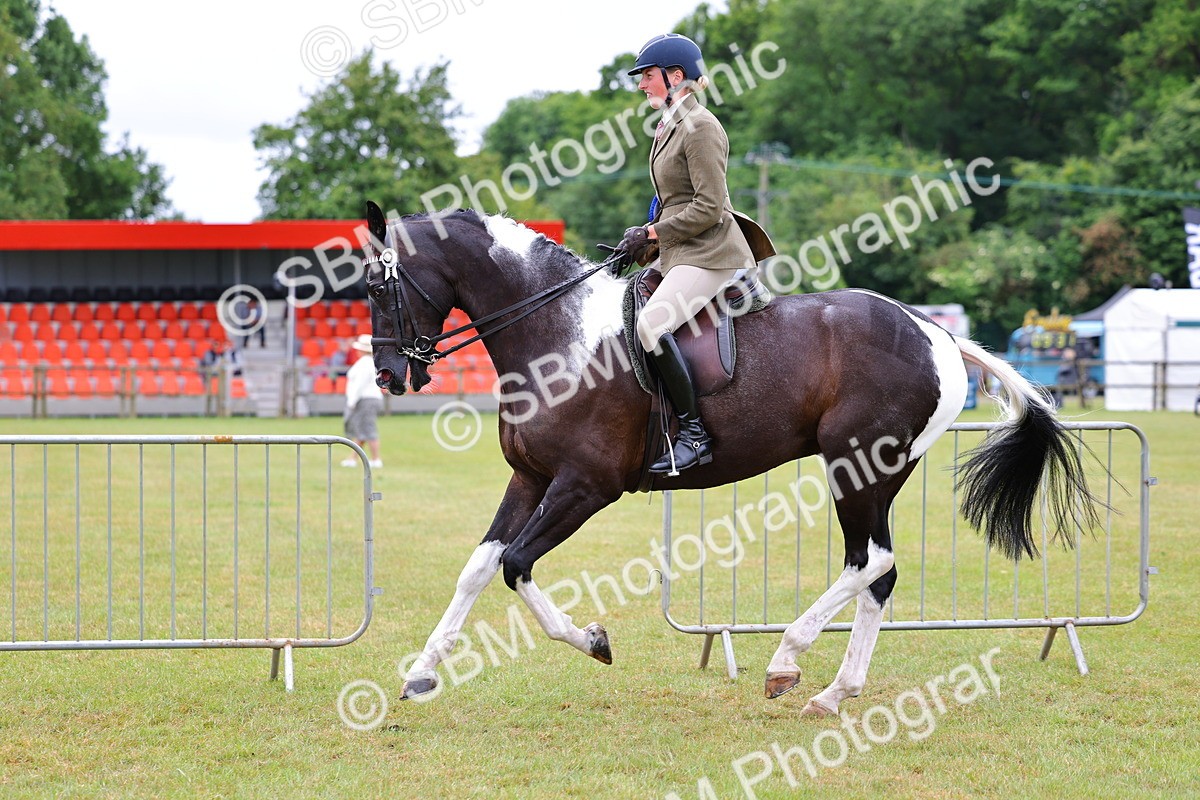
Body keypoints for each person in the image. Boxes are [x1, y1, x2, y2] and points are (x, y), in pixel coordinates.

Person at [621, 33, 776, 475]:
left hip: (710, 253)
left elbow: (710, 207)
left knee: (651, 326)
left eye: (647, 77)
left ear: (675, 76)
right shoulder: (669, 125)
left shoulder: (702, 126)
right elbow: (672, 200)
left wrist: (652, 230)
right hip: (678, 251)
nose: (641, 86)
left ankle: (693, 435)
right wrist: (644, 239)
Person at [342, 334, 384, 468]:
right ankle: (353, 458)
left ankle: (376, 459)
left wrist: (352, 401)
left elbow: (359, 384)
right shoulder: (370, 363)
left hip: (365, 399)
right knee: (363, 429)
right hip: (369, 399)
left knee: (368, 429)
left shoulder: (364, 364)